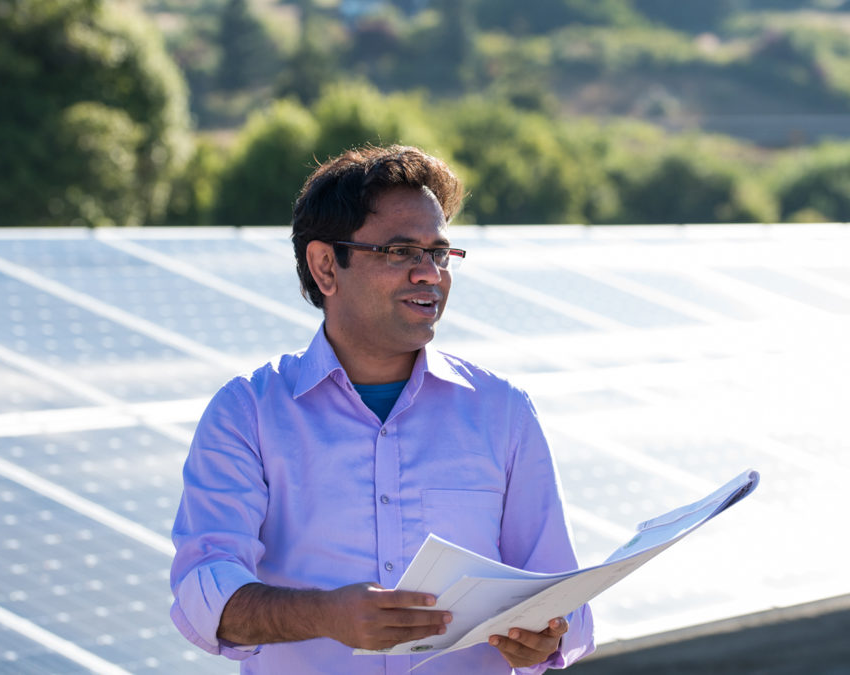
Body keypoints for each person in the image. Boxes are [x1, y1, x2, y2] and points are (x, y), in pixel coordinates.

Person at [169, 145, 595, 674]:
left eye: (439, 253)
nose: (430, 274)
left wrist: (548, 638)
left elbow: (564, 596)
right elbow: (203, 596)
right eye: (400, 252)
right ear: (326, 267)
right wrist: (325, 615)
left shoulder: (503, 412)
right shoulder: (246, 414)